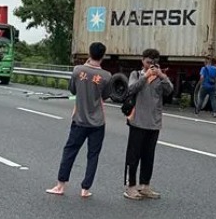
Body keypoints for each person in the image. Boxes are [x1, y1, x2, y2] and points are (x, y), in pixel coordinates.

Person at [46, 42, 112, 197]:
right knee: (93, 155)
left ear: (89, 53)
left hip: (79, 120)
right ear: (103, 56)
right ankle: (85, 189)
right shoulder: (106, 76)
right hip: (98, 121)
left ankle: (61, 185)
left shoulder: (78, 71)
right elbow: (106, 95)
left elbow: (72, 89)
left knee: (70, 151)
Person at [123, 48, 174, 199]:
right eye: (148, 62)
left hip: (154, 123)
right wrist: (145, 76)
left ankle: (145, 185)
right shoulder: (136, 74)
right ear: (142, 61)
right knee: (133, 156)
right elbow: (131, 89)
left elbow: (169, 90)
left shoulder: (159, 77)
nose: (151, 65)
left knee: (148, 156)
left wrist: (161, 75)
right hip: (138, 121)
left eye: (154, 63)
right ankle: (130, 186)